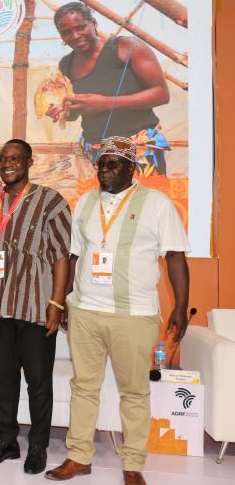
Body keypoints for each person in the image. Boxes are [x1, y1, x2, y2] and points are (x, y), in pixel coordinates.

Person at [45, 136, 190, 485]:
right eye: (101, 164)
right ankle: (79, 457)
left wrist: (181, 308)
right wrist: (64, 300)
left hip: (134, 314)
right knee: (84, 387)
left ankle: (133, 464)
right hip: (86, 311)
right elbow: (75, 255)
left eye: (113, 164)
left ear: (132, 168)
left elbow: (174, 257)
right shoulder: (85, 202)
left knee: (135, 391)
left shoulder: (157, 204)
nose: (104, 170)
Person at [0, 139, 72, 474]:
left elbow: (61, 256)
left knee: (39, 382)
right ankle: (6, 442)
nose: (8, 163)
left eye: (16, 158)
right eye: (3, 158)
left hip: (35, 308)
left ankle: (38, 448)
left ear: (30, 161)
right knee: (3, 379)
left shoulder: (51, 202)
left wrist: (56, 304)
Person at [47, 2, 171, 177]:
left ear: (94, 22)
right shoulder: (66, 64)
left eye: (81, 27)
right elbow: (76, 111)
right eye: (66, 32)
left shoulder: (126, 48)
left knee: (144, 201)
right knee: (106, 204)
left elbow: (161, 94)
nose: (75, 35)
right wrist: (62, 110)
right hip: (96, 150)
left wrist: (106, 103)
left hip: (137, 147)